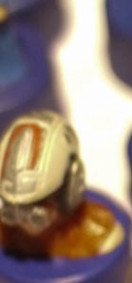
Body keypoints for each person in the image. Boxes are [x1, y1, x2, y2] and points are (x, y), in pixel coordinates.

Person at [0, 111, 124, 259]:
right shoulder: (6, 232)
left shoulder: (95, 232)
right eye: (11, 209)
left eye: (38, 206)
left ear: (69, 190)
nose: (23, 219)